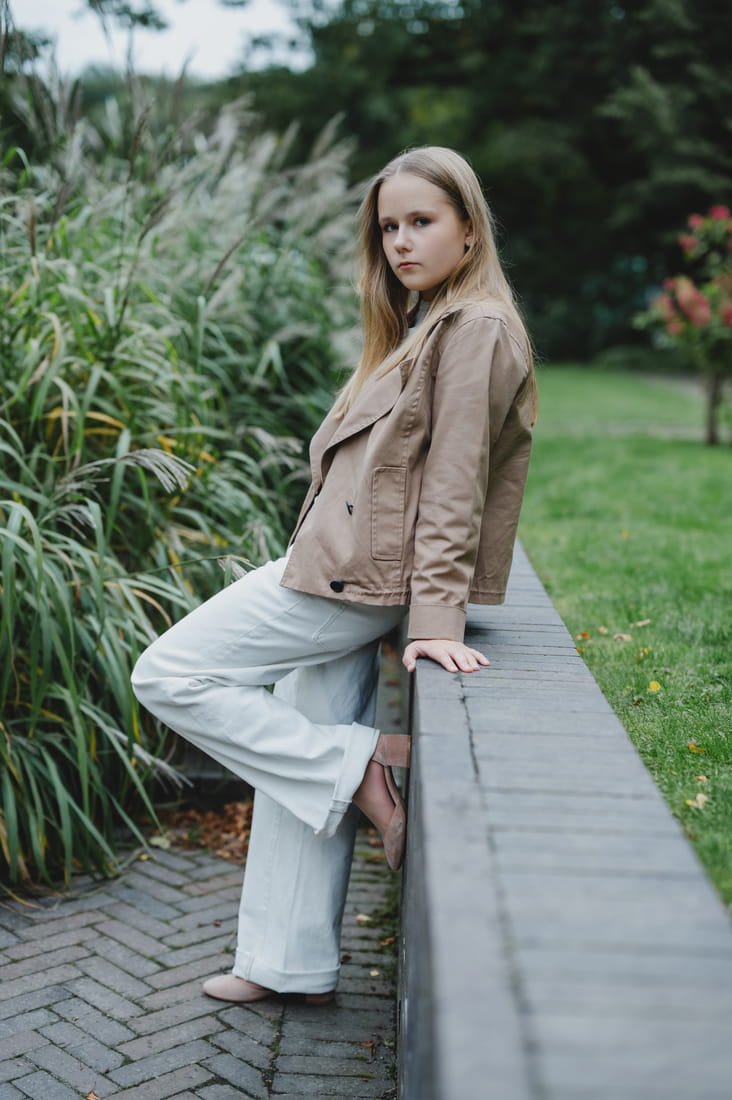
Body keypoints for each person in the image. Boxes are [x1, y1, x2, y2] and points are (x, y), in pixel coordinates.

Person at [131, 145, 536, 1006]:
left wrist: (436, 623)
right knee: (297, 747)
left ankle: (358, 768)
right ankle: (287, 966)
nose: (401, 241)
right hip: (338, 567)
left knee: (168, 673)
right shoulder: (425, 322)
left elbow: (457, 480)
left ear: (470, 230)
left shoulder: (476, 329)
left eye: (422, 221)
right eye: (388, 226)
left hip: (355, 581)